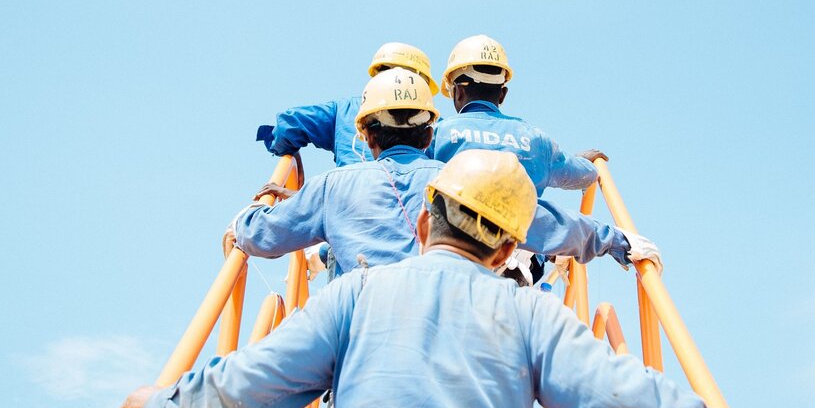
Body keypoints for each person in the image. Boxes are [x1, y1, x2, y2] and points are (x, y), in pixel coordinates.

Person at [118, 149, 771, 408]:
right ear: (506, 250)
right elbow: (618, 398)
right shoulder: (534, 314)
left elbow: (254, 385)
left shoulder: (353, 296)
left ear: (426, 223)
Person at [230, 68, 657, 278]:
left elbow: (259, 235)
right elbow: (543, 222)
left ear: (365, 131)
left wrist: (254, 211)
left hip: (361, 354)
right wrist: (616, 240)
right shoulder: (465, 180)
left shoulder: (331, 188)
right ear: (429, 127)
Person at [430, 34, 604, 196]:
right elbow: (581, 174)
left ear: (458, 92)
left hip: (453, 228)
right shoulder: (536, 140)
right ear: (502, 94)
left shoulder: (437, 135)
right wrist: (585, 163)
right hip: (522, 229)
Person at [256, 42, 439, 167]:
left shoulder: (343, 111)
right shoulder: (433, 124)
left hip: (345, 207)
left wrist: (289, 153)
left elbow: (288, 126)